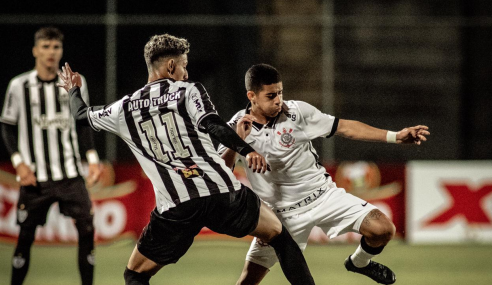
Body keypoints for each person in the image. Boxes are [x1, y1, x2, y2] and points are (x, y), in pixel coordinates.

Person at [56, 33, 315, 285]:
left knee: (135, 274)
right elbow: (212, 123)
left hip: (176, 207)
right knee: (279, 235)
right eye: (183, 66)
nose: (186, 73)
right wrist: (246, 149)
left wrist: (74, 90)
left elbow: (81, 115)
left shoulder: (123, 108)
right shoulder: (187, 91)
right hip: (222, 194)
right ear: (171, 66)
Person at [218, 63, 430, 285]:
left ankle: (359, 262)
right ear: (252, 96)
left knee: (383, 229)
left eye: (280, 92)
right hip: (280, 215)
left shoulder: (298, 113)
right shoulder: (235, 126)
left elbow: (346, 127)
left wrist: (395, 136)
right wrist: (237, 143)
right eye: (270, 96)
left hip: (323, 195)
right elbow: (221, 172)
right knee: (247, 281)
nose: (278, 100)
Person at [0, 27, 101, 285]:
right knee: (24, 238)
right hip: (36, 178)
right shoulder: (19, 86)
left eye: (55, 47)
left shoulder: (75, 82)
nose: (50, 52)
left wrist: (92, 159)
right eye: (45, 47)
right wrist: (19, 164)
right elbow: (8, 127)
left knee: (88, 230)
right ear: (35, 51)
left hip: (70, 175)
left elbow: (82, 124)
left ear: (61, 51)